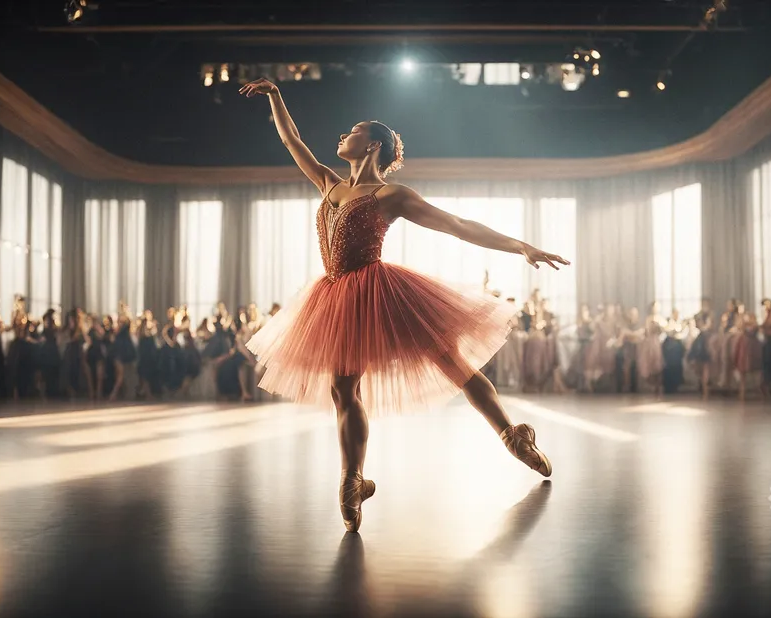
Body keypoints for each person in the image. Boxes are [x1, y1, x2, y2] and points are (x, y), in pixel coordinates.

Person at [239, 77, 567, 532]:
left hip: (383, 292)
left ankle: (512, 436)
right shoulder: (328, 184)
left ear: (372, 144)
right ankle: (352, 478)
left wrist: (521, 246)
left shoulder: (392, 196)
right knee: (342, 387)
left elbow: (456, 225)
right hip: (335, 295)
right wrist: (276, 96)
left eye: (351, 131)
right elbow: (291, 139)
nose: (341, 136)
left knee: (454, 364)